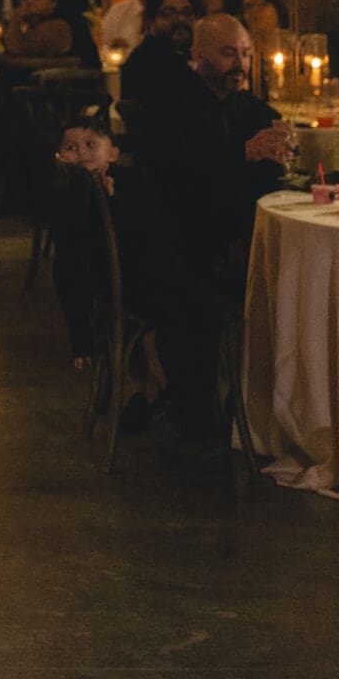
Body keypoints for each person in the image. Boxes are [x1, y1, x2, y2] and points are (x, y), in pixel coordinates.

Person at [51, 117, 225, 441]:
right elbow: (67, 265)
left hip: (160, 272)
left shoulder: (132, 182)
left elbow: (154, 235)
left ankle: (190, 402)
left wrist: (115, 201)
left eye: (91, 144)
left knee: (202, 311)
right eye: (71, 148)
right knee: (185, 314)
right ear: (59, 159)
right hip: (121, 290)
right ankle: (187, 410)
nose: (83, 154)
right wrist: (81, 334)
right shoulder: (66, 199)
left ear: (113, 153)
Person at [119, 13, 294, 288]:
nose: (240, 64)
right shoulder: (169, 103)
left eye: (246, 54)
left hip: (246, 230)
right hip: (187, 242)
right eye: (228, 53)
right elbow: (172, 176)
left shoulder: (254, 110)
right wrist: (242, 153)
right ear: (198, 54)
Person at [114, 0, 205, 133]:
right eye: (168, 13)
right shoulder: (145, 62)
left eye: (187, 13)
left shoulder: (190, 56)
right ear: (150, 22)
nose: (180, 20)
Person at [0, 0, 96, 73]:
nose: (29, 2)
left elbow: (16, 50)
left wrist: (16, 17)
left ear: (53, 2)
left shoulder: (59, 26)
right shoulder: (34, 25)